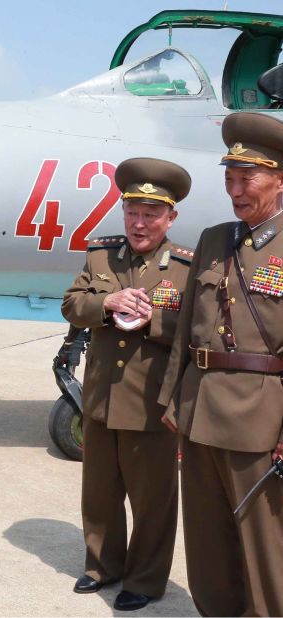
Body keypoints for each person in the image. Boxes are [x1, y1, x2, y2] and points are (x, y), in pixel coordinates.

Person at [159, 111, 283, 616]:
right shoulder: (214, 238)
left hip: (260, 417)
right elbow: (187, 329)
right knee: (207, 545)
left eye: (247, 178)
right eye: (229, 178)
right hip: (199, 408)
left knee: (264, 550)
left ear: (279, 177)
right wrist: (170, 398)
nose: (235, 189)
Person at [62, 157, 193, 611]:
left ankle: (145, 579)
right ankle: (103, 567)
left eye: (151, 214)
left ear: (170, 217)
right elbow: (72, 304)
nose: (140, 223)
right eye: (133, 211)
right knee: (99, 494)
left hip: (151, 404)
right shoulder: (101, 255)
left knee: (153, 502)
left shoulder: (185, 267)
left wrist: (154, 319)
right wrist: (107, 300)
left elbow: (198, 330)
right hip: (100, 398)